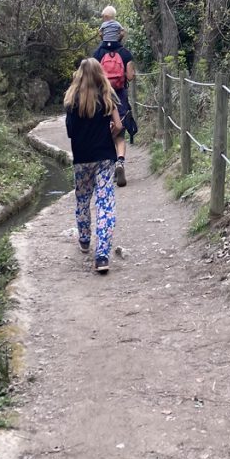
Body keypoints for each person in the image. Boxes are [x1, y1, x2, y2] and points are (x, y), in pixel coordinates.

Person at [64, 58, 123, 274]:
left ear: (79, 75)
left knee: (82, 200)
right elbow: (118, 125)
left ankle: (85, 239)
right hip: (105, 157)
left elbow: (70, 132)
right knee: (105, 203)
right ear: (100, 74)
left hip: (82, 159)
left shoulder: (71, 100)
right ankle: (102, 256)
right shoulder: (107, 97)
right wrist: (108, 134)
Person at [94, 15, 135, 187]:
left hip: (102, 97)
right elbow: (131, 76)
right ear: (120, 34)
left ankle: (108, 166)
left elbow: (93, 77)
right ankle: (120, 161)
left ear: (102, 34)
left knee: (104, 130)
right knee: (120, 132)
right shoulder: (125, 53)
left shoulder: (97, 54)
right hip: (120, 96)